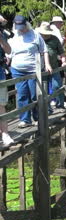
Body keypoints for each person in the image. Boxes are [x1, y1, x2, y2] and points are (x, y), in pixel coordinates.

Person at [7, 15, 52, 128]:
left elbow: (44, 50)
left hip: (33, 70)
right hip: (17, 70)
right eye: (18, 27)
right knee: (22, 95)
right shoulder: (14, 37)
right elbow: (9, 53)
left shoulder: (35, 35)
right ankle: (25, 119)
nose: (21, 29)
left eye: (22, 26)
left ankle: (38, 117)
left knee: (34, 94)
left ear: (26, 24)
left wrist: (47, 64)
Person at [38, 22, 66, 110]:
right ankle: (47, 109)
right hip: (41, 69)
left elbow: (61, 52)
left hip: (54, 67)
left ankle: (60, 105)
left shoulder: (54, 39)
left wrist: (64, 61)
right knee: (43, 89)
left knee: (57, 86)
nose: (44, 35)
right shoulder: (37, 39)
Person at [0, 15, 13, 145]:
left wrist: (1, 39)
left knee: (1, 105)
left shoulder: (2, 35)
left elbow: (9, 50)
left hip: (0, 73)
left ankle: (5, 134)